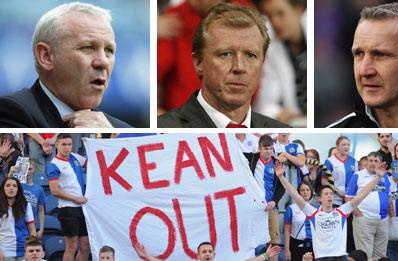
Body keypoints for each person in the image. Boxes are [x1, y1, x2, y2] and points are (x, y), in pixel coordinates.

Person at [157, 3, 289, 128]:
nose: (239, 67)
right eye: (226, 54)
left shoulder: (282, 130)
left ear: (262, 63)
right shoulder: (162, 130)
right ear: (198, 62)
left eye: (250, 55)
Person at [0, 2, 131, 128]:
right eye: (87, 47)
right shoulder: (12, 113)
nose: (103, 62)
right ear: (46, 56)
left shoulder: (120, 129)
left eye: (109, 50)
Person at [276, 154, 387, 260]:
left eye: (331, 194)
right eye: (326, 194)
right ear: (319, 199)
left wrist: (377, 178)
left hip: (340, 256)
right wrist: (281, 177)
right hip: (321, 257)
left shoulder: (342, 211)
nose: (330, 196)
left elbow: (362, 195)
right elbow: (294, 195)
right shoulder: (313, 213)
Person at [254, 0, 307, 125]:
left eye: (280, 13)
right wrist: (277, 112)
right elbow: (265, 103)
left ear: (298, 10)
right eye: (269, 15)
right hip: (296, 122)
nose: (275, 22)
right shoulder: (271, 45)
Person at [46, 133, 89, 261]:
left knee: (86, 246)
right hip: (68, 208)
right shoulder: (53, 165)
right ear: (57, 145)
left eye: (69, 144)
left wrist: (91, 144)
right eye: (64, 144)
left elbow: (92, 162)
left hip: (82, 207)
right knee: (71, 247)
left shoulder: (75, 157)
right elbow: (54, 191)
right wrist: (75, 198)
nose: (67, 147)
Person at [243, 135, 285, 261]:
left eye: (270, 149)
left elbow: (282, 187)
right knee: (250, 240)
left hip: (271, 206)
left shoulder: (277, 163)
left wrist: (274, 201)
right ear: (259, 148)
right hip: (253, 207)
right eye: (266, 149)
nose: (268, 151)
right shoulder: (251, 158)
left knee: (274, 241)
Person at [346, 152, 391, 260]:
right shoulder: (358, 175)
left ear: (380, 163)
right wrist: (357, 213)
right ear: (366, 162)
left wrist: (389, 213)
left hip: (382, 220)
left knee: (381, 255)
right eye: (370, 160)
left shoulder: (385, 176)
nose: (372, 163)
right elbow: (348, 197)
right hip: (364, 219)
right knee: (364, 255)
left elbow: (389, 195)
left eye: (376, 161)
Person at [0, 177, 36, 260]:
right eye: (8, 185)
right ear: (3, 189)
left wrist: (31, 249)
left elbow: (32, 231)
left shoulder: (26, 205)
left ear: (18, 189)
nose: (11, 188)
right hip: (5, 250)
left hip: (23, 249)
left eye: (14, 186)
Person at [8, 160, 46, 239]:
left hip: (31, 224)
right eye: (25, 169)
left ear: (34, 170)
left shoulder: (39, 190)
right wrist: (11, 173)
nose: (27, 172)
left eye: (30, 169)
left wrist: (42, 229)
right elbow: (6, 188)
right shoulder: (17, 186)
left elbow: (41, 211)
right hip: (18, 223)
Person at [323, 136, 358, 207]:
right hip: (335, 200)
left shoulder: (354, 161)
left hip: (350, 199)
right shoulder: (329, 161)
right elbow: (323, 181)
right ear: (337, 147)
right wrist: (337, 191)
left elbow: (356, 180)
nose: (346, 147)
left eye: (348, 144)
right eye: (343, 145)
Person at [283, 181, 313, 261]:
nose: (305, 192)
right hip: (296, 245)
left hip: (313, 246)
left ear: (311, 192)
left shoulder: (317, 209)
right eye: (302, 190)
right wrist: (286, 249)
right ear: (298, 193)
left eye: (307, 190)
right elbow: (287, 230)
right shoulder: (291, 209)